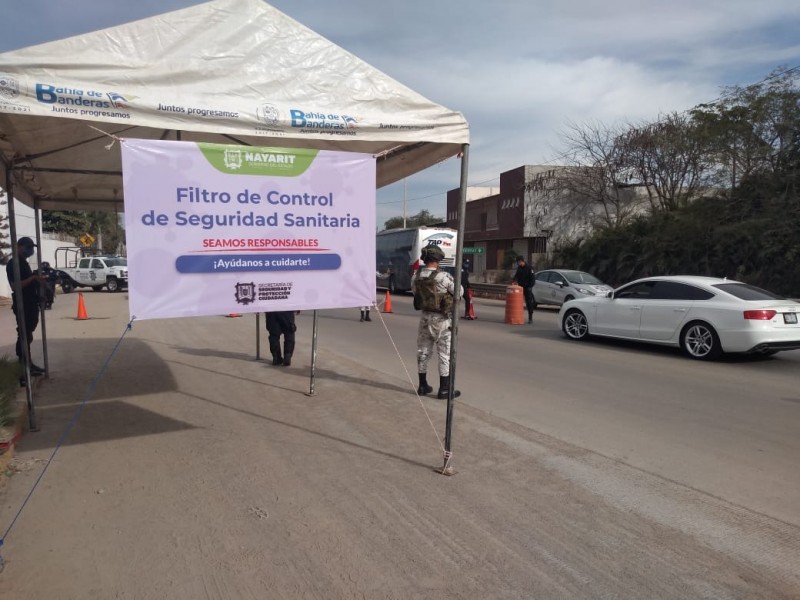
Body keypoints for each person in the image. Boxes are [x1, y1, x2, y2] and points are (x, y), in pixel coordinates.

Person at [411, 244, 462, 400]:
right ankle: (444, 389)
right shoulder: (443, 276)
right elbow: (459, 293)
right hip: (442, 320)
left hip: (425, 318)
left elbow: (414, 292)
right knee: (444, 354)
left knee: (423, 352)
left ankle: (422, 385)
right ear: (437, 259)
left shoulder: (416, 276)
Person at [5, 237, 46, 381]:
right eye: (28, 247)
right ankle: (23, 365)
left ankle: (28, 363)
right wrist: (33, 278)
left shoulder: (23, 263)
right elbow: (16, 286)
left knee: (28, 333)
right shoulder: (13, 264)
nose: (30, 250)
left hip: (30, 302)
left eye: (31, 247)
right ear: (19, 246)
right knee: (24, 334)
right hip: (22, 304)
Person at [513, 255, 536, 323]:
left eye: (519, 262)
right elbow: (516, 276)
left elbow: (533, 279)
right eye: (517, 262)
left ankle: (530, 317)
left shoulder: (529, 268)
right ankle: (517, 316)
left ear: (522, 261)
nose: (518, 263)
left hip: (527, 288)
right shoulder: (519, 268)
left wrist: (530, 287)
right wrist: (514, 281)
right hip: (520, 288)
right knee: (517, 302)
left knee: (528, 302)